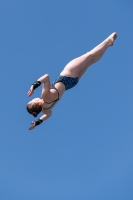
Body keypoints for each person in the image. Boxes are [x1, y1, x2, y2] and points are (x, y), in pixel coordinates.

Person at [27, 32, 117, 130]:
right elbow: (46, 77)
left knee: (91, 61)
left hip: (71, 83)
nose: (33, 98)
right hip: (66, 76)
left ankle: (107, 45)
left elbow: (48, 116)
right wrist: (34, 85)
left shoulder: (47, 109)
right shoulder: (44, 96)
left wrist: (38, 122)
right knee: (89, 55)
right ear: (36, 103)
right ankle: (108, 40)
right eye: (31, 100)